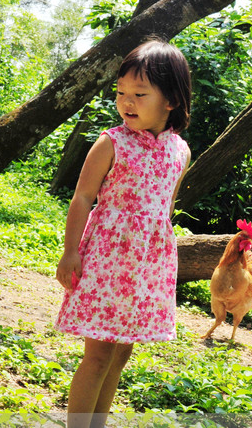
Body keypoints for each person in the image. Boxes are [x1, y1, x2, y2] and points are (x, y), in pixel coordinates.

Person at [55, 39, 192, 428]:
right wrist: (70, 252)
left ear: (170, 101)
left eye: (139, 94)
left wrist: (157, 264)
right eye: (120, 93)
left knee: (120, 356)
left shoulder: (180, 151)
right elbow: (82, 198)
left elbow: (164, 211)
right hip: (106, 263)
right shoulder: (111, 142)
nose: (126, 102)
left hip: (146, 269)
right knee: (97, 354)